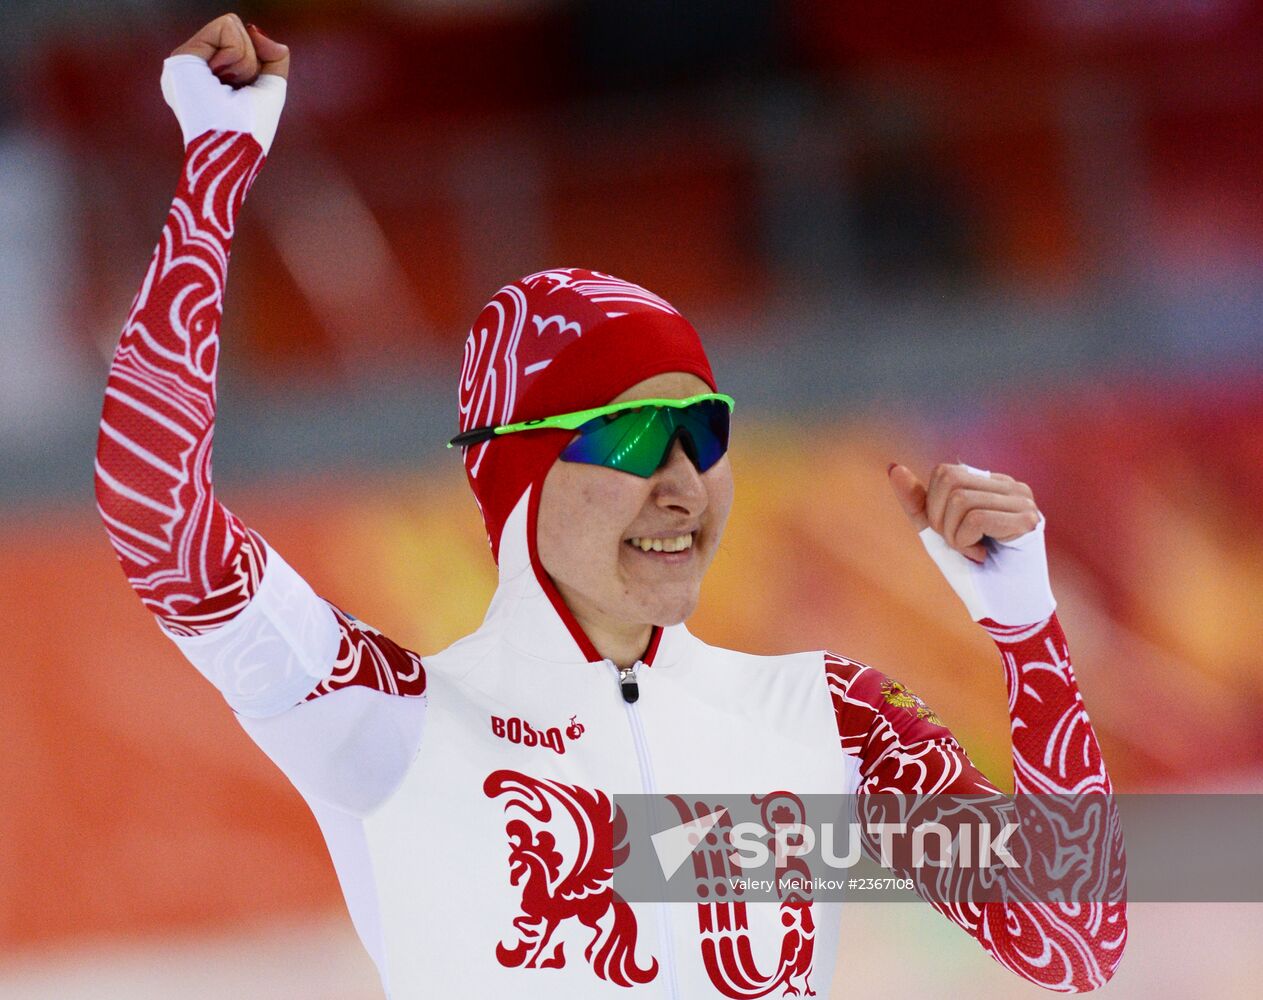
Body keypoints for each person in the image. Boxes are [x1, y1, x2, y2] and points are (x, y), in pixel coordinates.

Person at [94, 14, 1126, 998]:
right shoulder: (389, 720)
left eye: (704, 431)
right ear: (518, 470)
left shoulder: (827, 717)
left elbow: (1077, 938)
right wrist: (217, 170)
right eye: (632, 437)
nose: (682, 481)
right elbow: (158, 518)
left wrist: (1025, 631)